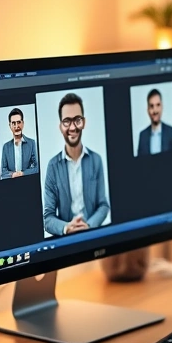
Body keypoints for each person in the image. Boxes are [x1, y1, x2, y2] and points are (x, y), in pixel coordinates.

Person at [43, 93, 110, 236]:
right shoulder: (53, 167)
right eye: (67, 121)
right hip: (67, 242)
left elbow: (103, 206)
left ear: (83, 122)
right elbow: (47, 218)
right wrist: (67, 228)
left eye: (77, 120)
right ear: (61, 126)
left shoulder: (96, 160)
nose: (73, 127)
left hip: (92, 235)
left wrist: (89, 226)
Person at [136, 89, 172, 156]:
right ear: (148, 110)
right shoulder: (142, 135)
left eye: (158, 105)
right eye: (151, 106)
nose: (155, 111)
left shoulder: (170, 131)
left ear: (162, 107)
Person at [0, 107, 38, 179]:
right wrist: (12, 175)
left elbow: (37, 168)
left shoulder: (31, 143)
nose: (17, 126)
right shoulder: (6, 147)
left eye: (19, 122)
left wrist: (23, 173)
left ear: (23, 123)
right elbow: (3, 172)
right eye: (13, 123)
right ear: (10, 126)